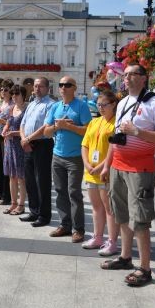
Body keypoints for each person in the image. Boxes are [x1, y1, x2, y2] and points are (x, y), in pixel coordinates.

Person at [99, 64, 155, 287]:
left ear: (144, 78)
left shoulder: (154, 102)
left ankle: (145, 267)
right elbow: (116, 137)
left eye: (132, 74)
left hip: (140, 168)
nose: (126, 78)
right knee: (122, 215)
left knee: (140, 219)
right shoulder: (123, 102)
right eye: (125, 74)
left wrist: (138, 132)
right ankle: (126, 257)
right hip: (119, 165)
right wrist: (107, 165)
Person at [43, 77, 92, 243]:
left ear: (74, 88)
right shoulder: (55, 107)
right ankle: (65, 225)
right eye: (61, 84)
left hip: (75, 157)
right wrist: (57, 126)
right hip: (57, 155)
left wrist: (69, 126)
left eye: (67, 85)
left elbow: (88, 131)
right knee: (60, 191)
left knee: (74, 193)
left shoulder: (81, 106)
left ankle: (78, 229)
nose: (63, 87)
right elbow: (46, 132)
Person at [80, 90, 120, 255]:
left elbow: (116, 149)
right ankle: (97, 237)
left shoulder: (116, 123)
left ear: (113, 105)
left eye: (105, 105)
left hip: (106, 171)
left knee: (108, 208)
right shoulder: (94, 122)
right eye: (99, 104)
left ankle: (112, 241)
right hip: (91, 171)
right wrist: (87, 163)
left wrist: (101, 166)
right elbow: (85, 145)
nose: (101, 108)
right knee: (96, 207)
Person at [19, 77, 54, 227]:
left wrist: (28, 139)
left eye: (40, 86)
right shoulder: (31, 104)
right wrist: (23, 139)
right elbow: (23, 123)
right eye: (35, 86)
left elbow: (46, 127)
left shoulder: (51, 105)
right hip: (27, 143)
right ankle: (33, 211)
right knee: (30, 179)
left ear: (47, 88)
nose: (37, 89)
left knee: (42, 181)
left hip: (42, 144)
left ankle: (44, 215)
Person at [1, 85, 28, 215]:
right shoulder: (12, 108)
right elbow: (8, 123)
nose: (14, 96)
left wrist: (13, 133)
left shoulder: (27, 109)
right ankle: (13, 203)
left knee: (21, 177)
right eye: (13, 94)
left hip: (20, 146)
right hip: (9, 146)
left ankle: (21, 205)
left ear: (23, 95)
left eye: (17, 94)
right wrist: (5, 130)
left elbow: (27, 131)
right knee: (12, 176)